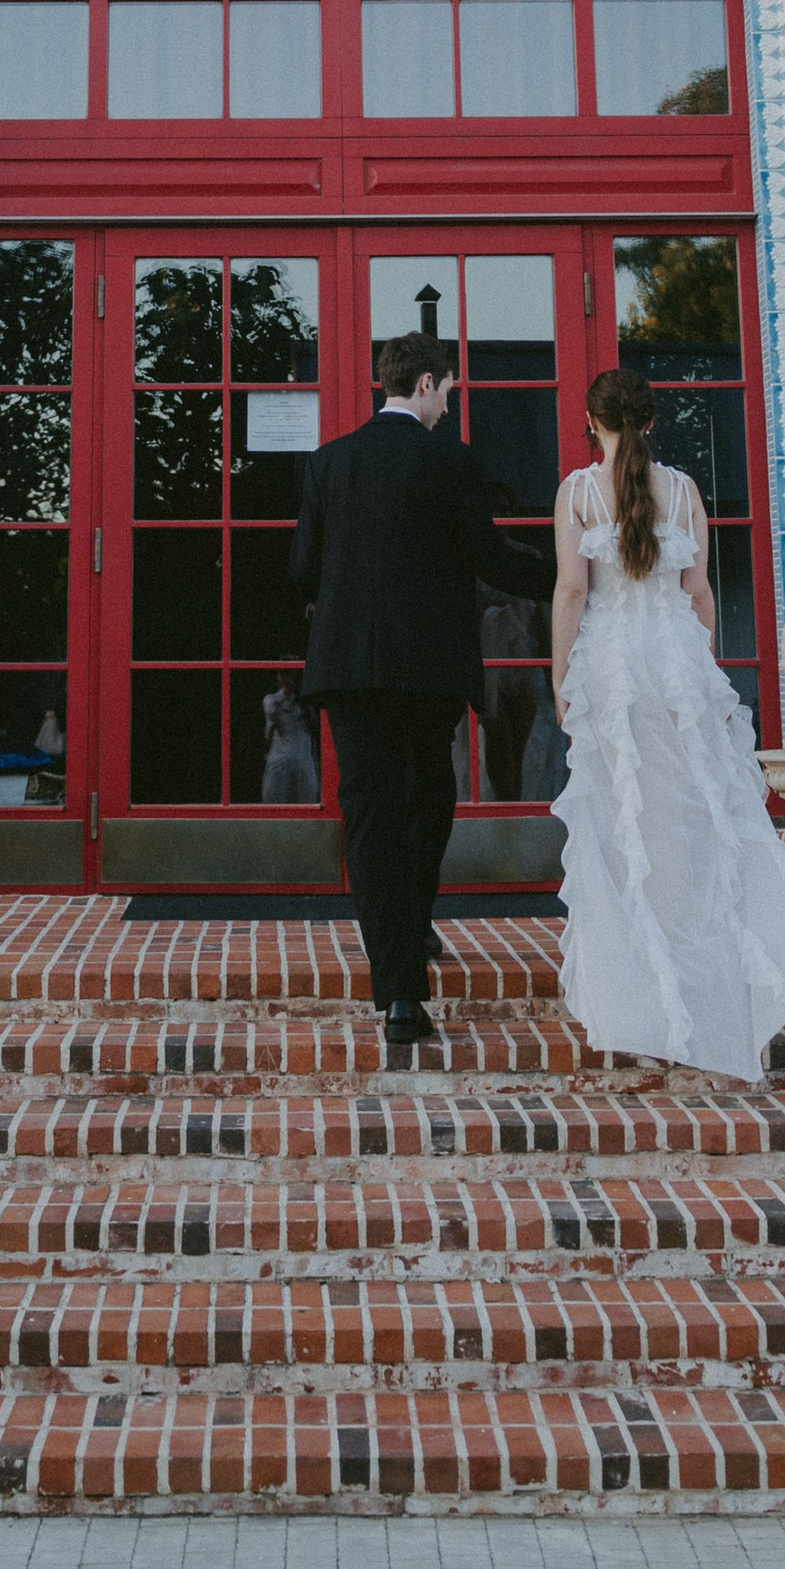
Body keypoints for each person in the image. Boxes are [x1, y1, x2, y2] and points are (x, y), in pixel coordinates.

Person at [549, 366, 785, 1075]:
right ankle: (710, 983)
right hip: (675, 668)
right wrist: (700, 671)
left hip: (615, 675)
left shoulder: (579, 492)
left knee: (624, 829)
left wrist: (560, 679)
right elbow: (699, 593)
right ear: (650, 423)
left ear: (593, 423)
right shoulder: (683, 490)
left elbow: (571, 592)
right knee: (693, 825)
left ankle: (640, 997)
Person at [291, 331, 543, 1043]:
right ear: (429, 384)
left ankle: (399, 984)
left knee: (370, 816)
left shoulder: (328, 462)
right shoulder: (450, 460)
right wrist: (569, 577)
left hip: (349, 668)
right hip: (429, 669)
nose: (449, 403)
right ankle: (410, 944)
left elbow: (301, 569)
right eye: (450, 390)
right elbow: (491, 559)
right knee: (428, 801)